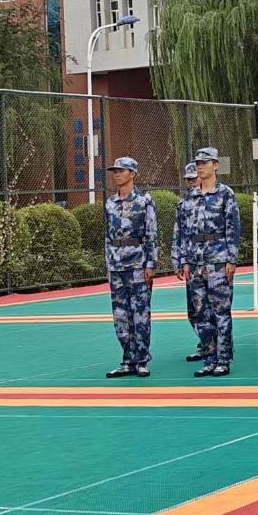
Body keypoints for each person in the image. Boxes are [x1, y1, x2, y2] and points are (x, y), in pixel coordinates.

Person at [172, 148, 241, 377]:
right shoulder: (189, 198)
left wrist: (231, 259)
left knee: (221, 312)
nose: (200, 166)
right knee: (201, 313)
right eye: (198, 163)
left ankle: (223, 359)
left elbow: (233, 229)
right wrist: (183, 260)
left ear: (215, 165)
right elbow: (182, 231)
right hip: (195, 262)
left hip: (218, 261)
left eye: (205, 163)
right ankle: (209, 358)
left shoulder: (225, 194)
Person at [103, 157, 157, 378]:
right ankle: (127, 359)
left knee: (140, 314)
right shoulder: (110, 203)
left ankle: (141, 360)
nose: (117, 174)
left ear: (133, 174)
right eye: (115, 171)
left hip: (138, 264)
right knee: (120, 315)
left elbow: (151, 234)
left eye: (121, 171)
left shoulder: (144, 201)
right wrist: (108, 263)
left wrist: (151, 264)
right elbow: (107, 236)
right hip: (116, 266)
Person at [176, 163, 207, 362]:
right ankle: (204, 343)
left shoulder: (216, 198)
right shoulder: (183, 204)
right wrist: (179, 260)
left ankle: (216, 347)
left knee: (211, 308)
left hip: (211, 261)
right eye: (188, 180)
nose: (191, 183)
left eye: (194, 179)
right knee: (194, 309)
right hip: (191, 262)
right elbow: (179, 234)